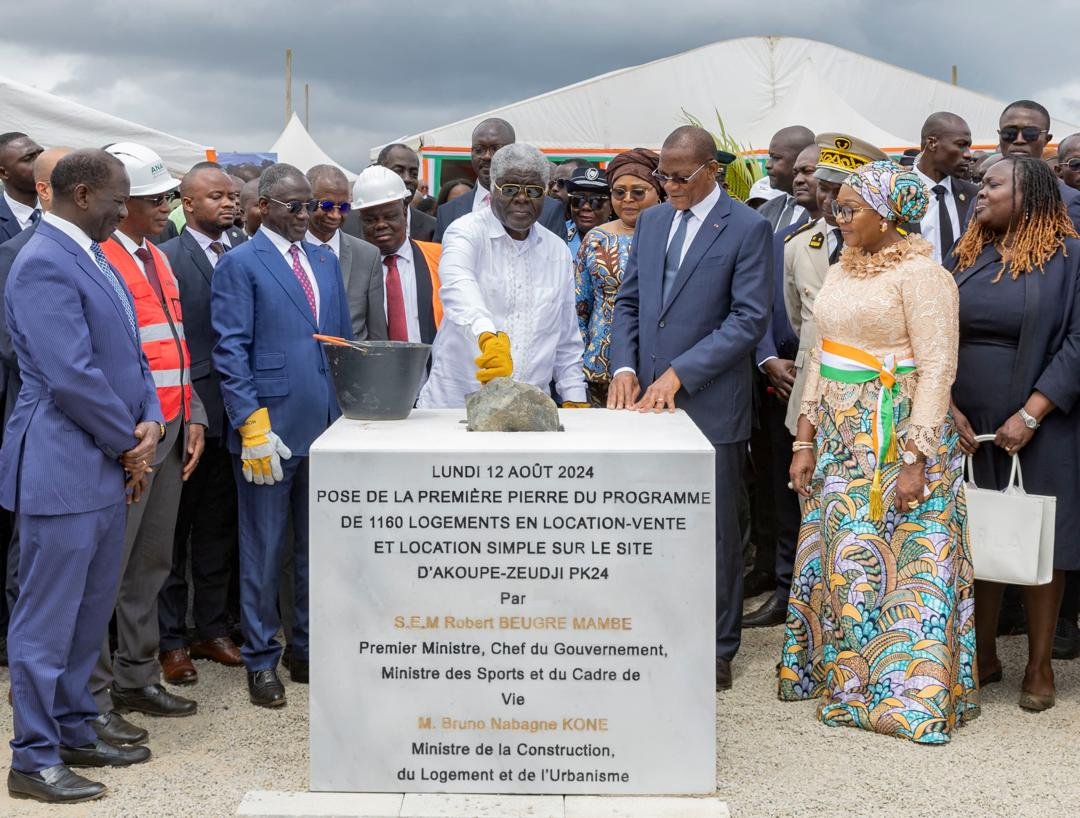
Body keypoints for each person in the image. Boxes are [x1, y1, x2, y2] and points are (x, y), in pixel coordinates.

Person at [782, 160, 978, 743]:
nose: (838, 218)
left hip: (898, 431)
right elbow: (820, 356)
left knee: (906, 562)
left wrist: (916, 457)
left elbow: (939, 366)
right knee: (847, 557)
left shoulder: (923, 276)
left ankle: (905, 695)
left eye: (850, 209)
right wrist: (804, 438)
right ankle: (842, 681)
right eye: (837, 207)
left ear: (890, 216)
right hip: (842, 435)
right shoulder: (845, 268)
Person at [1, 149, 161, 803]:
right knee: (47, 618)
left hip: (104, 461)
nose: (127, 210)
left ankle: (72, 728)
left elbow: (130, 350)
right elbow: (70, 375)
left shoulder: (93, 253)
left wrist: (149, 418)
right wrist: (130, 441)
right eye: (120, 199)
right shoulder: (41, 261)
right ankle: (32, 759)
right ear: (83, 193)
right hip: (64, 465)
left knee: (88, 612)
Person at [609, 125, 773, 691]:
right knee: (649, 522)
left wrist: (682, 373)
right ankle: (655, 629)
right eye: (665, 176)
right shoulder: (652, 222)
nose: (670, 186)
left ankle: (718, 646)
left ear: (712, 171)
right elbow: (630, 301)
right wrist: (626, 367)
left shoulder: (749, 228)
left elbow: (750, 319)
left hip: (710, 403)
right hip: (646, 402)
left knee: (717, 531)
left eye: (681, 177)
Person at [211, 163, 351, 708]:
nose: (306, 215)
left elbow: (337, 343)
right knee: (264, 547)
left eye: (310, 204)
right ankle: (262, 659)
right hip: (269, 428)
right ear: (263, 206)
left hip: (324, 423)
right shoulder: (241, 263)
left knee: (316, 545)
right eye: (294, 206)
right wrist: (251, 423)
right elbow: (230, 347)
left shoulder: (324, 259)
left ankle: (307, 648)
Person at [949, 155, 1080, 712]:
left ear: (1029, 192)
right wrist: (945, 406)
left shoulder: (1069, 255)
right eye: (981, 184)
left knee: (1041, 541)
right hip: (965, 423)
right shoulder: (966, 252)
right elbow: (932, 331)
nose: (981, 193)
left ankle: (1040, 662)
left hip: (1044, 419)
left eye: (993, 184)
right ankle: (982, 654)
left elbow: (1078, 340)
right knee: (979, 533)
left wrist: (1031, 413)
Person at [86, 143, 205, 726]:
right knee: (108, 568)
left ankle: (136, 676)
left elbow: (175, 346)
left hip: (172, 424)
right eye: (155, 198)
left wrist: (196, 413)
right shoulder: (101, 258)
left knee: (151, 563)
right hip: (134, 437)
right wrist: (131, 439)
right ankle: (94, 696)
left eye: (166, 197)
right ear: (121, 201)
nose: (167, 207)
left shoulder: (156, 257)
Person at [157, 162, 248, 686]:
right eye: (215, 197)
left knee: (217, 528)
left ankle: (210, 628)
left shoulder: (244, 252)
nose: (229, 204)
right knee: (174, 533)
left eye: (232, 196)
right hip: (188, 413)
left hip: (235, 415)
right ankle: (170, 640)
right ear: (187, 204)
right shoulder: (168, 259)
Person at [418, 144, 586, 408]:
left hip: (529, 410)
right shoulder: (465, 232)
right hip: (457, 406)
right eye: (509, 189)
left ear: (545, 194)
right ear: (493, 189)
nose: (521, 198)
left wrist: (575, 397)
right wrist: (487, 337)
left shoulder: (557, 251)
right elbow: (458, 286)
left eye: (533, 191)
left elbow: (566, 339)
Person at [744, 142, 823, 629]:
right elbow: (763, 299)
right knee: (784, 482)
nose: (799, 179)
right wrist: (770, 358)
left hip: (845, 383)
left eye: (811, 171)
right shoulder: (774, 224)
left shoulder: (863, 233)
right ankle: (785, 586)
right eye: (797, 171)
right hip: (783, 377)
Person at [0, 147, 69, 672]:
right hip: (43, 419)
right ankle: (26, 669)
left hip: (86, 429)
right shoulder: (21, 251)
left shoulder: (101, 252)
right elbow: (19, 346)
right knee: (34, 552)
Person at [783, 134, 887, 437]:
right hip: (809, 397)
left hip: (869, 393)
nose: (829, 200)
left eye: (839, 191)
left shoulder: (892, 250)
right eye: (824, 188)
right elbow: (799, 319)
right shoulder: (797, 245)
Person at [574, 148, 663, 406]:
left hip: (655, 363)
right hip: (600, 363)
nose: (628, 200)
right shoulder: (596, 238)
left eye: (638, 192)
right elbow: (580, 306)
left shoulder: (671, 237)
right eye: (619, 192)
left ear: (658, 192)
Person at [432, 118, 566, 241]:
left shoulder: (549, 209)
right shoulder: (447, 211)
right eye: (479, 149)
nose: (486, 156)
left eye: (496, 149)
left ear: (512, 151)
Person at [353, 165, 440, 344]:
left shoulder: (438, 258)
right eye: (371, 219)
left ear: (404, 212)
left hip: (434, 368)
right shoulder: (350, 269)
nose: (381, 225)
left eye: (390, 216)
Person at [307, 164, 388, 342]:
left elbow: (377, 330)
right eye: (327, 206)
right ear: (308, 202)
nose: (336, 215)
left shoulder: (368, 255)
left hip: (353, 363)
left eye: (343, 207)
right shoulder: (290, 251)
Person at [997, 99, 1080, 231]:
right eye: (1009, 133)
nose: (1019, 140)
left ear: (1046, 139)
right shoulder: (982, 198)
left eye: (1030, 133)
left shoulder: (1068, 200)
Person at [910, 112, 978, 263]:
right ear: (932, 143)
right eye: (961, 145)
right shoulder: (893, 192)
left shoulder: (975, 196)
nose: (968, 155)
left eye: (968, 146)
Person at [372, 143, 437, 240]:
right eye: (398, 171)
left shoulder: (433, 227)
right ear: (379, 172)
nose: (407, 179)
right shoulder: (349, 224)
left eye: (414, 174)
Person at [757, 126, 816, 232]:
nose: (768, 165)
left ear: (801, 158)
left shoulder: (826, 214)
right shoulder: (764, 211)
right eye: (770, 157)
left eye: (776, 158)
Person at [0, 132, 43, 242]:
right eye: (29, 158)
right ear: (3, 173)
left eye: (41, 154)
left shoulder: (63, 208)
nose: (41, 162)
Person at [566, 166, 611, 256]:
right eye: (578, 199)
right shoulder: (556, 232)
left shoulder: (623, 239)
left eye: (596, 200)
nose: (586, 207)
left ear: (611, 207)